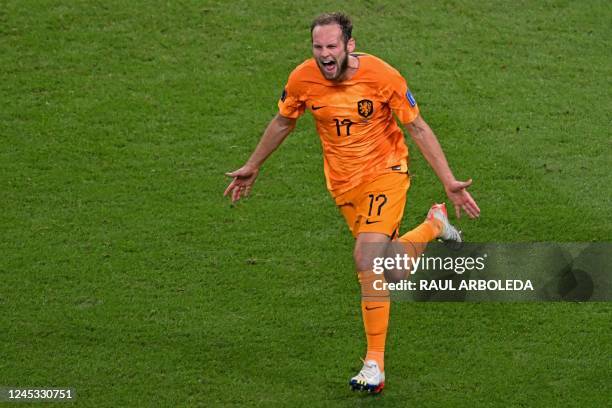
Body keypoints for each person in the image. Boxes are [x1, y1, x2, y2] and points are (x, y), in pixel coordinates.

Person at [224, 12, 480, 393]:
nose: (324, 55)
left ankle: (374, 364)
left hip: (386, 174)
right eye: (318, 47)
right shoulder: (302, 79)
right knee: (392, 271)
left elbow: (417, 126)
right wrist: (252, 165)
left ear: (349, 46)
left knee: (366, 260)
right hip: (344, 187)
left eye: (331, 47)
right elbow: (283, 122)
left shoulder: (381, 76)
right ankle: (434, 225)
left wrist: (449, 181)